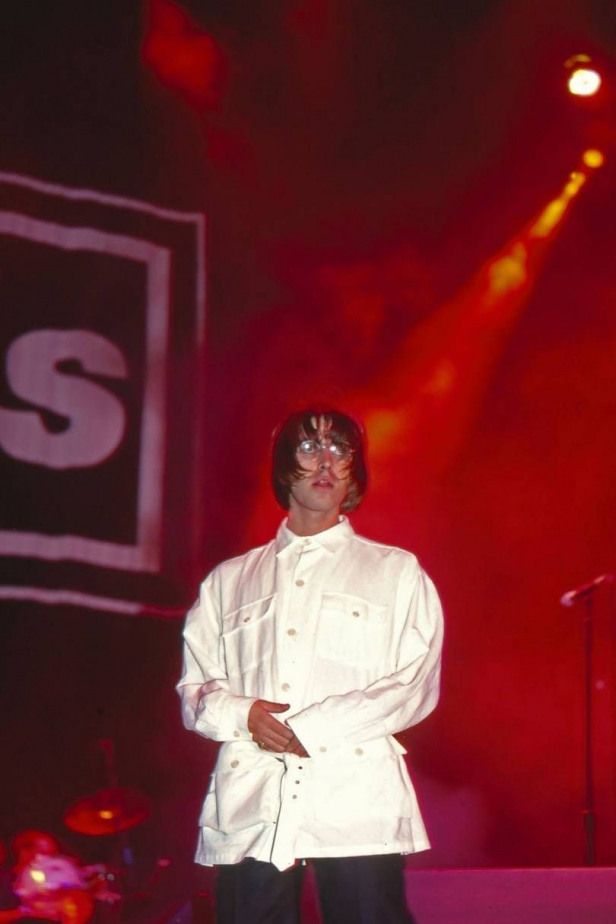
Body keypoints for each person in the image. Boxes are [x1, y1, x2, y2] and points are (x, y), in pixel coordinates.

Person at [177, 409, 444, 923]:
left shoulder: (396, 571)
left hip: (355, 800)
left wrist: (311, 727)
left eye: (340, 450)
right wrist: (244, 713)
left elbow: (413, 684)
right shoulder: (228, 582)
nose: (325, 460)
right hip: (252, 803)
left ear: (354, 472)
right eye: (308, 448)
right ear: (283, 468)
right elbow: (195, 688)